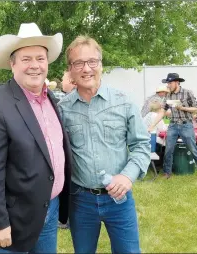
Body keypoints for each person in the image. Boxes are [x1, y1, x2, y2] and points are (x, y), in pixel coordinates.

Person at [0, 23, 72, 253]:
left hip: (48, 210)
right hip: (10, 219)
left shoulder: (50, 99)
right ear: (12, 64)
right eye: (26, 59)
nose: (35, 65)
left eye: (40, 58)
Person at [58, 35, 150, 254]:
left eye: (92, 62)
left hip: (119, 199)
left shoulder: (124, 101)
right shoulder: (62, 108)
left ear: (101, 65)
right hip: (80, 201)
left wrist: (127, 176)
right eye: (78, 63)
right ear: (70, 70)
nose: (86, 68)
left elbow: (142, 145)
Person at [148, 73, 197, 180]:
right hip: (173, 125)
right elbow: (162, 111)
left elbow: (196, 109)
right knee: (168, 150)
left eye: (170, 83)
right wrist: (152, 125)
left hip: (186, 125)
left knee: (193, 149)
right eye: (168, 83)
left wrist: (182, 108)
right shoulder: (168, 95)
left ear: (177, 82)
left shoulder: (187, 93)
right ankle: (167, 173)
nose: (168, 85)